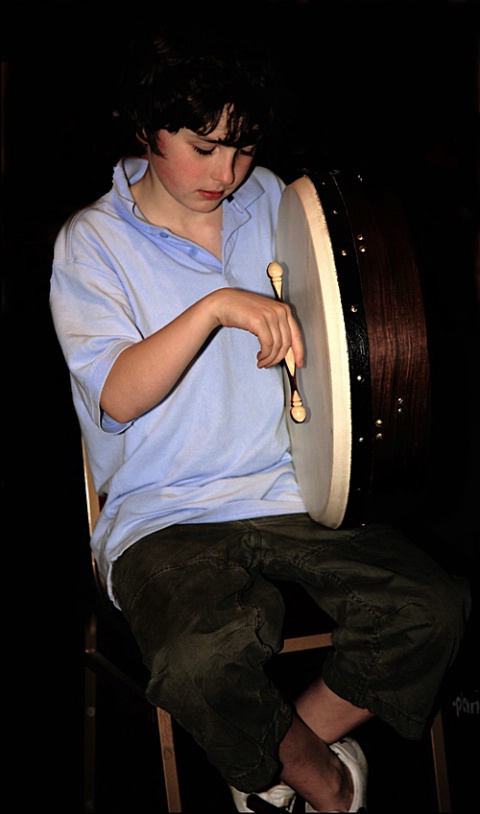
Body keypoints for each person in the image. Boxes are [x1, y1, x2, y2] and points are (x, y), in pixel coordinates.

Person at [50, 15, 470, 813]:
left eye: (241, 147)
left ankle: (279, 762)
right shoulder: (91, 243)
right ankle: (323, 784)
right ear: (146, 126)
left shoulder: (272, 198)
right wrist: (216, 306)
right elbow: (119, 394)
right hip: (162, 513)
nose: (226, 171)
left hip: (288, 493)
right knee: (202, 662)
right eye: (202, 147)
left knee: (431, 607)